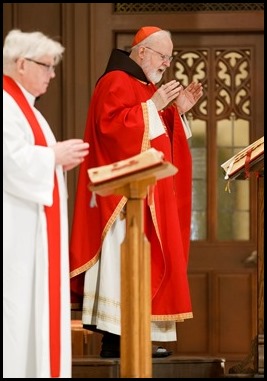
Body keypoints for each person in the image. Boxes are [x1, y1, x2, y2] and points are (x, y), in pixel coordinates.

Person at [70, 26, 203, 358]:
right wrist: (154, 105)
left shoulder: (144, 87)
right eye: (163, 56)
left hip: (144, 199)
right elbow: (112, 131)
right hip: (120, 204)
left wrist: (176, 113)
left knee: (145, 265)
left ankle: (137, 337)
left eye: (169, 58)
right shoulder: (115, 81)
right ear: (142, 51)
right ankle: (116, 341)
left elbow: (157, 140)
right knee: (121, 267)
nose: (165, 64)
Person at [3, 29, 89, 378]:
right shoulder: (7, 104)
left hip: (31, 230)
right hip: (16, 235)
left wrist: (55, 162)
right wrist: (52, 156)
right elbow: (11, 161)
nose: (52, 74)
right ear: (22, 64)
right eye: (47, 66)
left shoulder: (27, 109)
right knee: (17, 311)